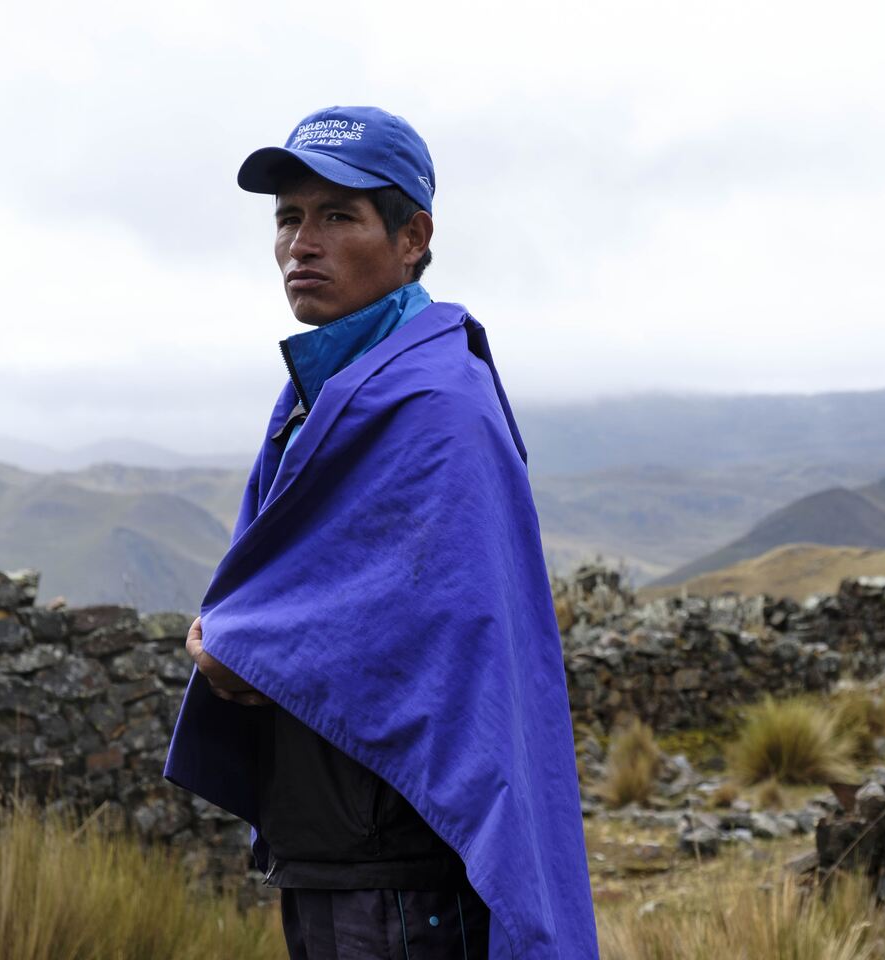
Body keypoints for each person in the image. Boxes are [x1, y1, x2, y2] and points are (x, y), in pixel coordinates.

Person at [163, 105, 599, 960]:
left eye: (338, 215)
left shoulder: (438, 407)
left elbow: (434, 628)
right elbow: (296, 591)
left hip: (401, 867)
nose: (301, 243)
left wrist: (248, 649)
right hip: (327, 849)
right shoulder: (317, 395)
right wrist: (248, 637)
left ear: (413, 237)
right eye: (288, 217)